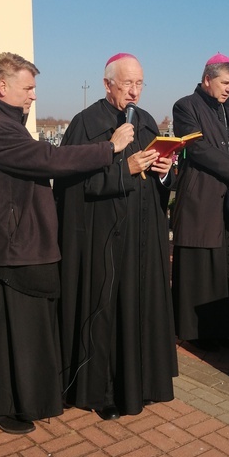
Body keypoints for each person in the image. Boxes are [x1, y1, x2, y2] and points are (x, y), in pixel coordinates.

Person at [0, 52, 133, 433]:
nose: (34, 95)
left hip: (20, 243)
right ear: (3, 87)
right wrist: (110, 149)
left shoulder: (6, 123)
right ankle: (4, 405)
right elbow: (49, 159)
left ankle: (7, 400)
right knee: (12, 332)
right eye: (28, 87)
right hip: (13, 245)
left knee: (13, 329)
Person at [54, 53, 178, 420]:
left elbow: (159, 179)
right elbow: (74, 187)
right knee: (108, 314)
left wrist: (164, 170)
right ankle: (104, 391)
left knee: (141, 310)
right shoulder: (84, 124)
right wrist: (124, 168)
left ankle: (142, 383)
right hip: (104, 240)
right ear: (108, 84)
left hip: (143, 237)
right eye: (127, 84)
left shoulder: (146, 121)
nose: (135, 92)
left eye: (140, 84)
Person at [171, 53, 229, 352]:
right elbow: (197, 147)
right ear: (207, 79)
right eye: (225, 83)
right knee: (205, 267)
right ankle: (201, 332)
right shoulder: (186, 106)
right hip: (202, 198)